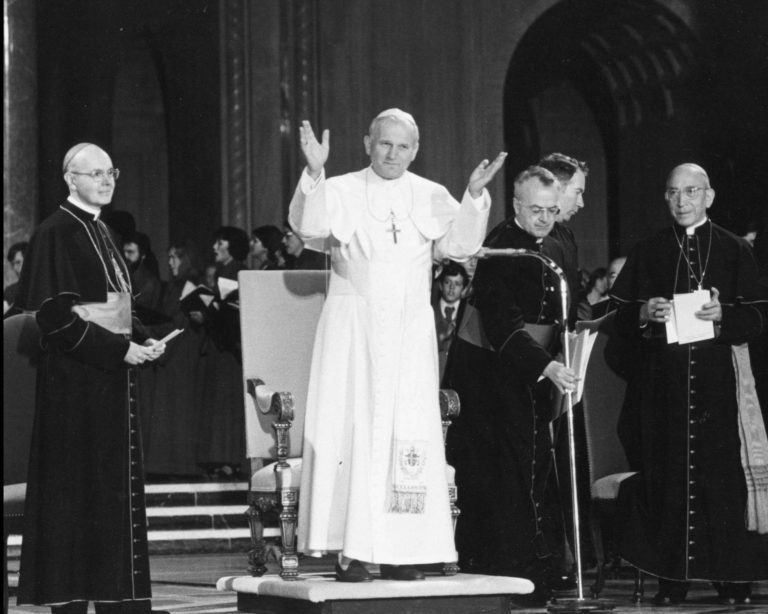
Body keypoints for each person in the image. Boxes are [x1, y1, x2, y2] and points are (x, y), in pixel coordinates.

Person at [290, 108, 506, 582]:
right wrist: (313, 172)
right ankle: (352, 552)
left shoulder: (430, 194)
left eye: (403, 146)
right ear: (368, 142)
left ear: (416, 150)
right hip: (354, 327)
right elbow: (308, 230)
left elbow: (459, 246)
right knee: (354, 433)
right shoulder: (341, 188)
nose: (393, 154)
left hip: (409, 331)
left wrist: (473, 196)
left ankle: (401, 550)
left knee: (405, 435)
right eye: (385, 144)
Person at [13, 143, 169, 613]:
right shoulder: (56, 232)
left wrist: (145, 340)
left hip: (109, 387)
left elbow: (115, 307)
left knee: (108, 501)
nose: (106, 180)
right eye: (94, 173)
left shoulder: (100, 229)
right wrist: (122, 348)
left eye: (111, 172)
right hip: (75, 394)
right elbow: (54, 317)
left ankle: (119, 601)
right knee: (79, 503)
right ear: (70, 178)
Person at [611, 163, 768, 605]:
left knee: (725, 480)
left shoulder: (736, 249)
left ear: (709, 197)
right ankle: (672, 581)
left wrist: (725, 316)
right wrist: (643, 312)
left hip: (721, 390)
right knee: (669, 480)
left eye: (692, 191)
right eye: (674, 192)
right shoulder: (649, 249)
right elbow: (617, 316)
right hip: (665, 389)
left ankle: (733, 580)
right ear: (666, 198)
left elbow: (758, 317)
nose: (682, 201)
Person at [443, 166, 577, 604]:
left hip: (534, 370)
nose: (544, 219)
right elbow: (502, 325)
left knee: (534, 467)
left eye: (552, 210)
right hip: (491, 375)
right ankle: (509, 572)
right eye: (535, 209)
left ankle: (538, 564)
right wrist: (547, 366)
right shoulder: (500, 247)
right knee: (502, 473)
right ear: (517, 205)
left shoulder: (556, 240)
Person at [539, 153, 589, 325]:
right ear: (557, 187)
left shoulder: (566, 236)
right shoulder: (521, 234)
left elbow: (576, 294)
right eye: (578, 192)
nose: (581, 203)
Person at [433, 260, 468, 382]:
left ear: (464, 289)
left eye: (457, 284)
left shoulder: (468, 315)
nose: (452, 288)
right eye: (448, 282)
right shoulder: (429, 312)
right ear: (441, 285)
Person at [3, 241, 27, 313]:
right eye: (12, 264)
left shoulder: (43, 287)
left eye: (18, 262)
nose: (15, 268)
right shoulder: (9, 292)